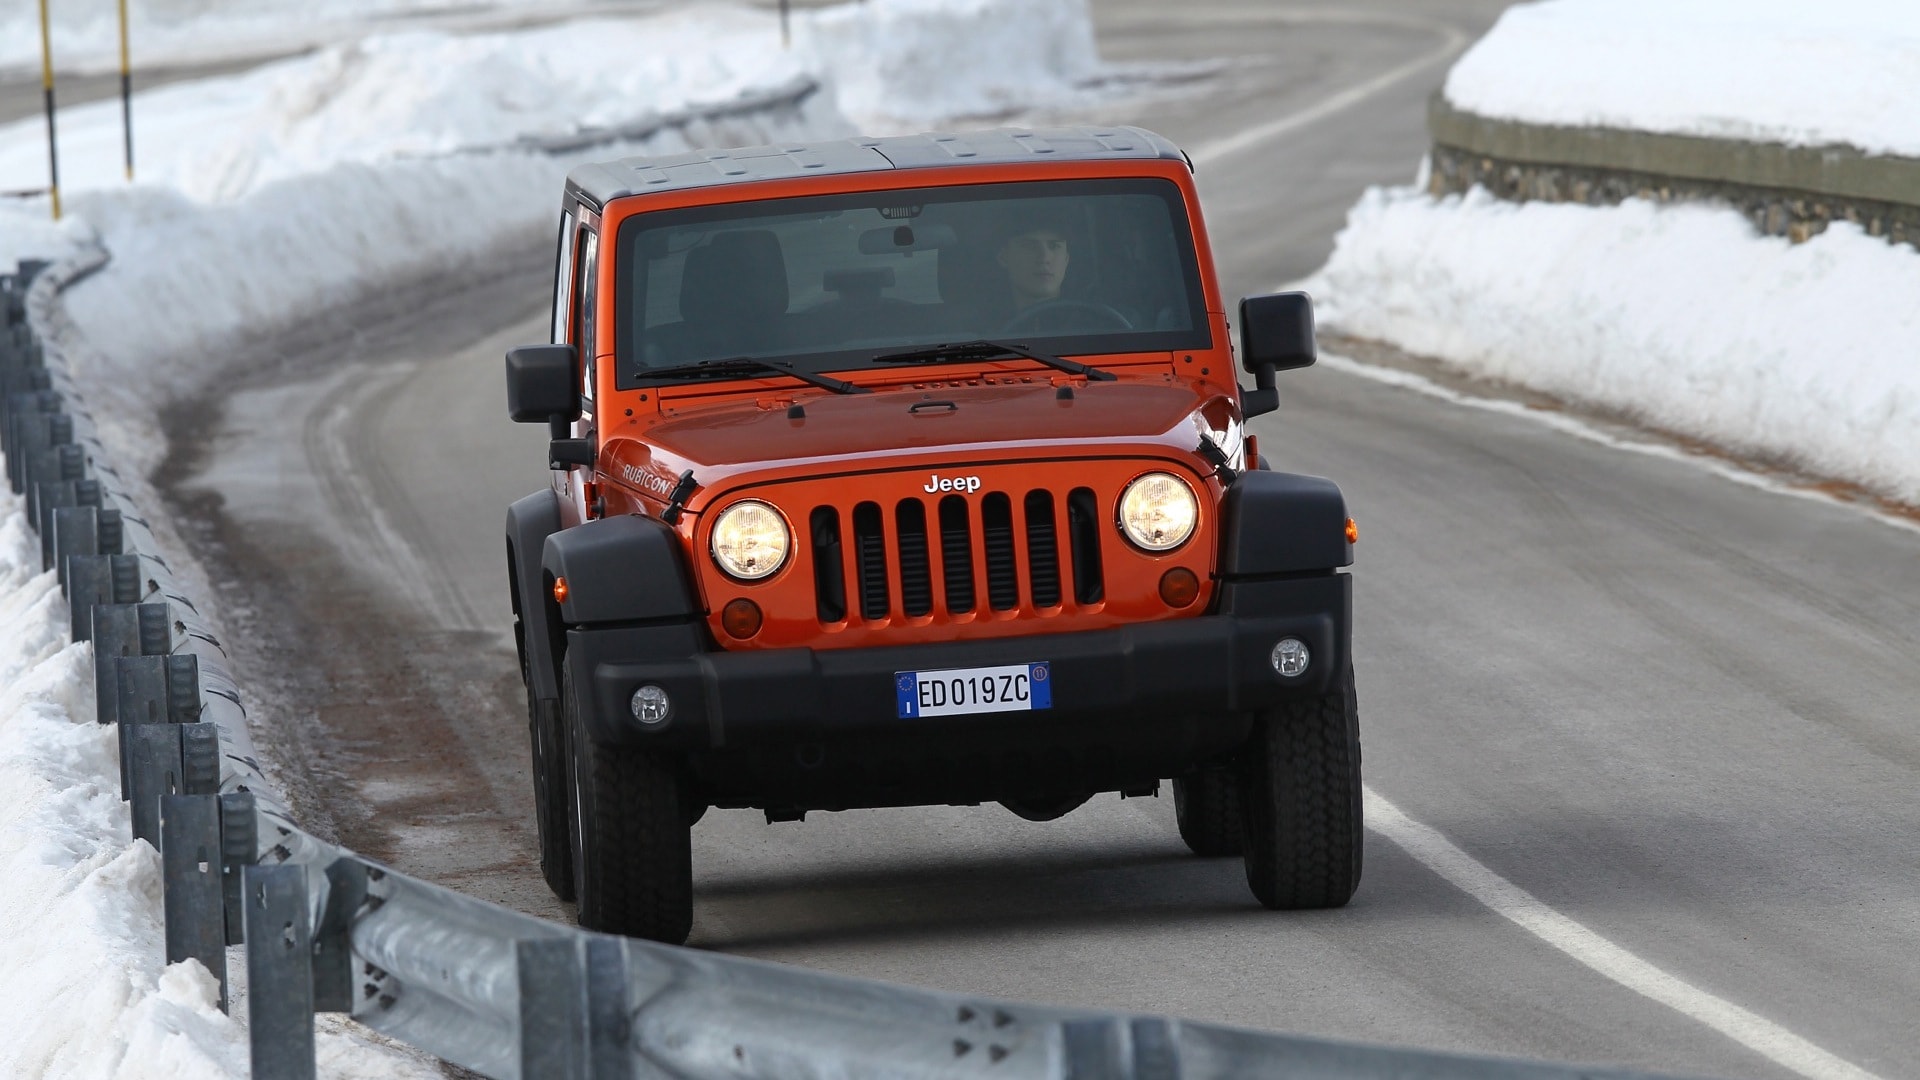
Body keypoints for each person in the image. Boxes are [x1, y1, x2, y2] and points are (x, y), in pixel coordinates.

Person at [996, 220, 1071, 311]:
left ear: (1066, 259)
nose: (1044, 259)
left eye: (1054, 246)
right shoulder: (981, 322)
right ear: (1003, 257)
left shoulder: (1089, 320)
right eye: (1029, 246)